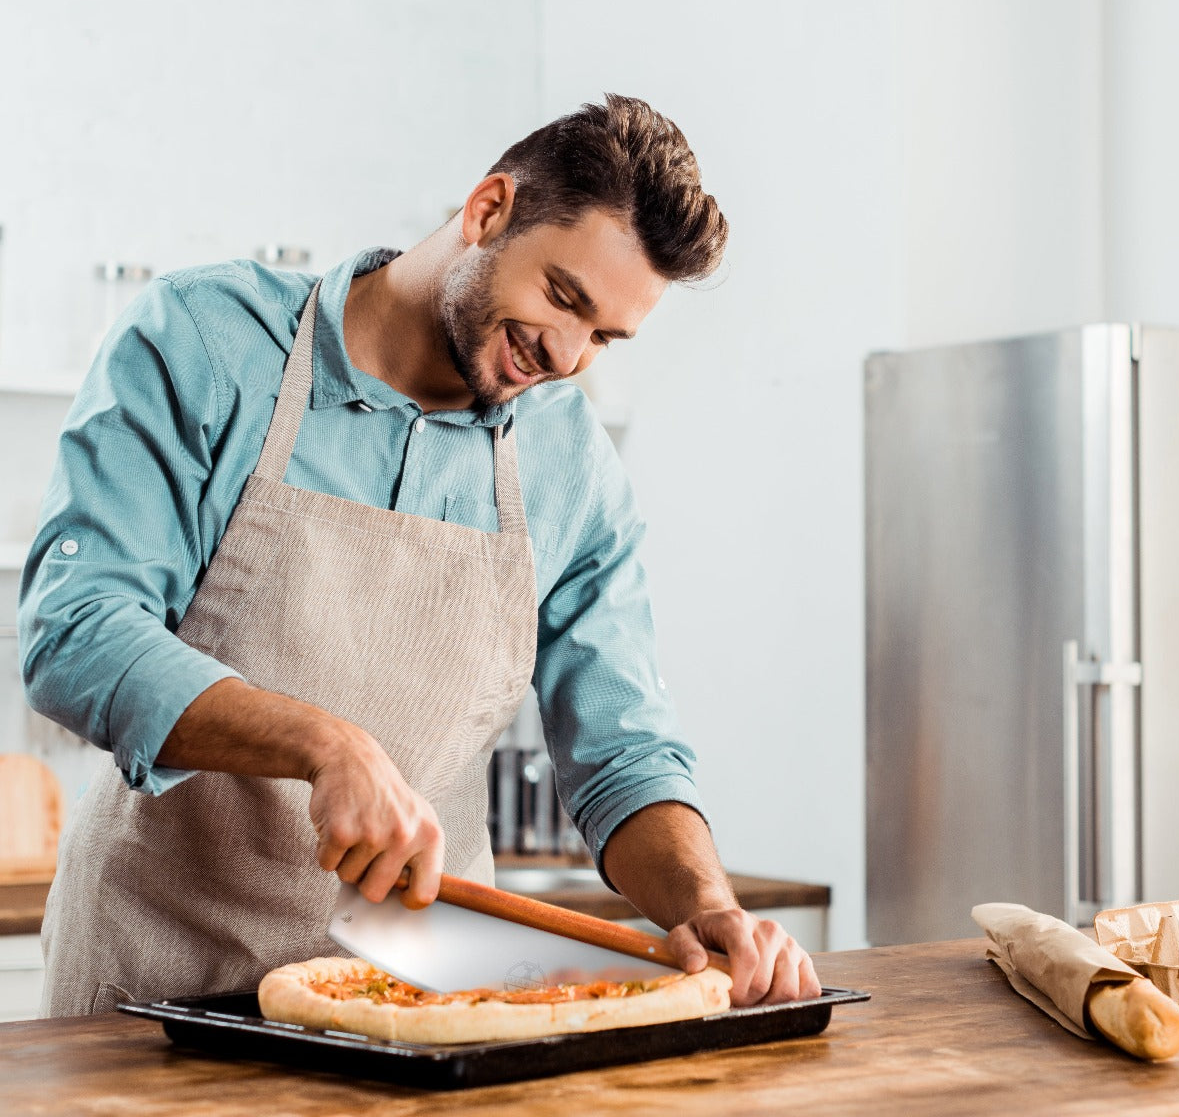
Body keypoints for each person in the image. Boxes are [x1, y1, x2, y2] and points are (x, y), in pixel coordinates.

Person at [20, 94, 821, 1017]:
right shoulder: (207, 341)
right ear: (489, 210)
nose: (563, 354)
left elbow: (623, 750)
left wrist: (707, 904)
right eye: (562, 297)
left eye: (602, 335)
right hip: (160, 983)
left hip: (420, 1004)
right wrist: (325, 745)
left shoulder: (569, 464)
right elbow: (75, 633)